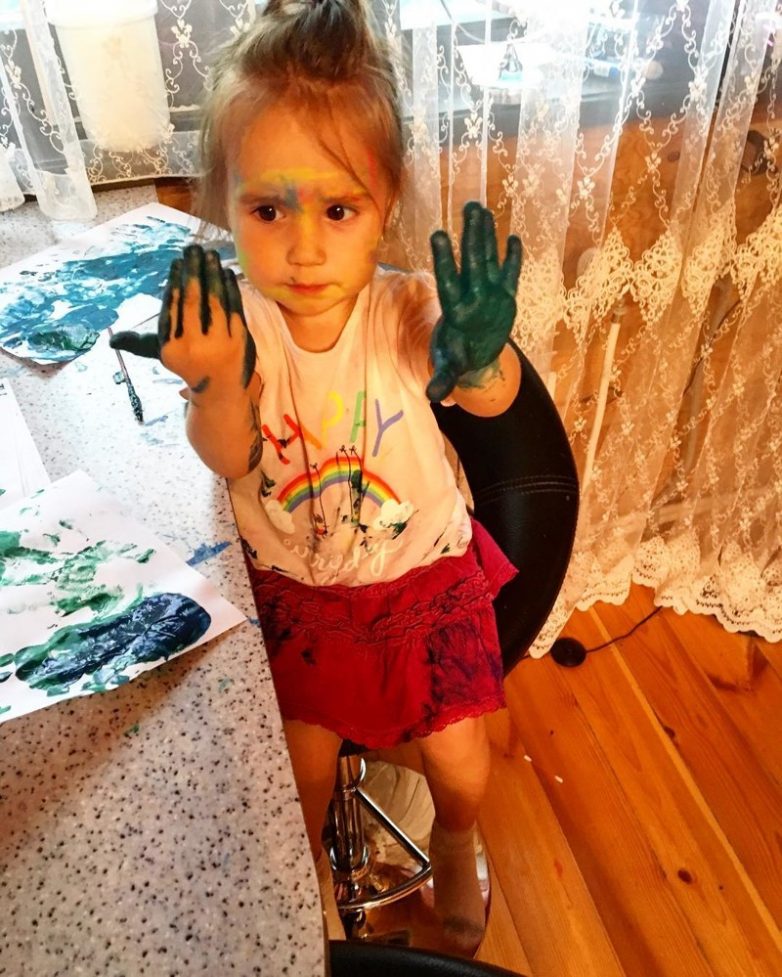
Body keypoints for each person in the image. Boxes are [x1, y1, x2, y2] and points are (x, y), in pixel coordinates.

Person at [111, 0, 522, 951]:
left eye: (339, 210)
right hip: (297, 595)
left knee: (462, 761)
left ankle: (456, 838)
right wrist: (215, 382)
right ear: (225, 203)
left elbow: (493, 400)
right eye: (268, 210)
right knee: (291, 779)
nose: (303, 249)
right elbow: (229, 457)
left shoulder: (406, 308)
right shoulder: (239, 323)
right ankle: (301, 904)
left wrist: (481, 357)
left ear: (385, 200)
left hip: (421, 579)